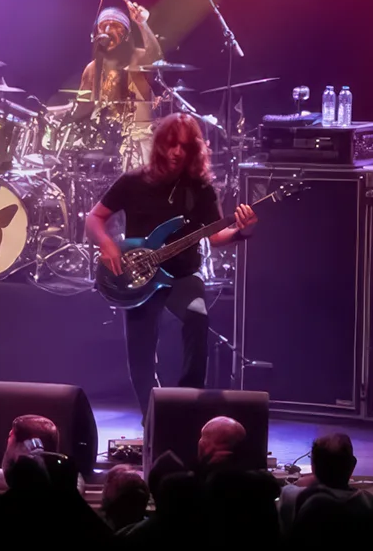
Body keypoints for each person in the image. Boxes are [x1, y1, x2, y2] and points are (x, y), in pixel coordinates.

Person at [86, 113, 259, 420]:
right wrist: (107, 243)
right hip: (139, 276)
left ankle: (187, 403)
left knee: (197, 319)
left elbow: (217, 237)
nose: (178, 152)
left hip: (183, 274)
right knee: (140, 351)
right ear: (160, 145)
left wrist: (242, 231)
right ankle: (151, 418)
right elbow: (93, 218)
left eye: (185, 146)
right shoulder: (133, 181)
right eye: (171, 144)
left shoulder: (200, 188)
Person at [74, 3, 163, 170]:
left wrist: (142, 24)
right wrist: (50, 113)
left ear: (126, 35)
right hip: (106, 143)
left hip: (140, 141)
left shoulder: (137, 57)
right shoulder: (91, 69)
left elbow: (156, 56)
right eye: (103, 25)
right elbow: (81, 106)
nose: (107, 29)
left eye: (115, 25)